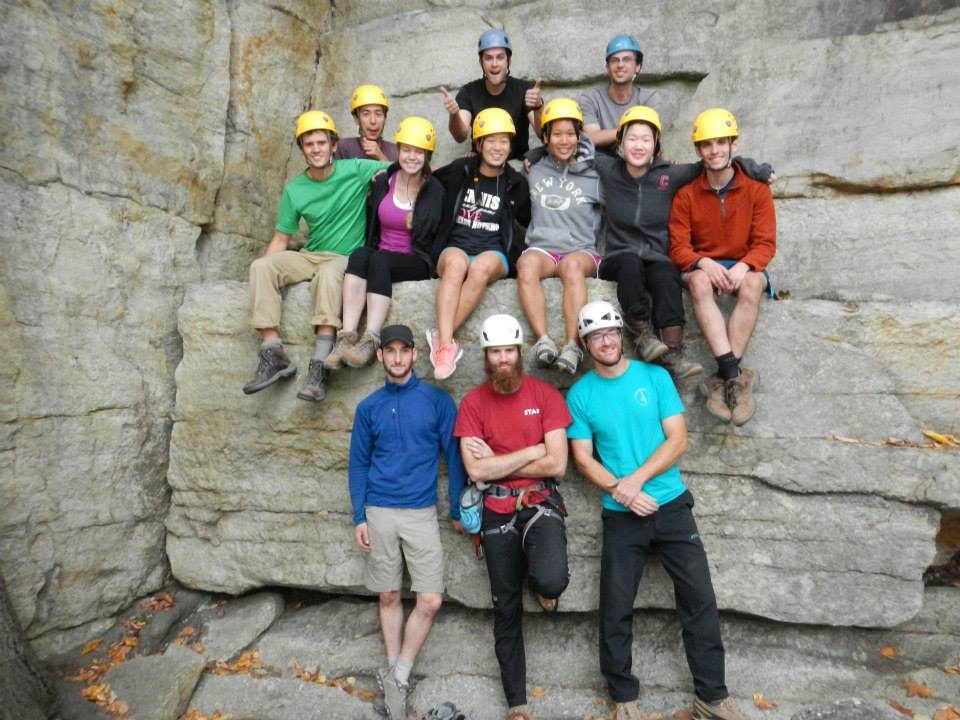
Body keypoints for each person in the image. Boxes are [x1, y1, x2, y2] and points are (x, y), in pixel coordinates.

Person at [566, 301, 753, 720]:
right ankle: (623, 699)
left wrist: (635, 481)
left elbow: (678, 440)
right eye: (596, 335)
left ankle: (712, 698)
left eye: (612, 331)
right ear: (586, 343)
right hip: (621, 515)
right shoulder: (581, 394)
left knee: (699, 600)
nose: (607, 340)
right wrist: (623, 491)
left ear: (622, 336)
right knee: (615, 607)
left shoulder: (654, 377)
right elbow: (582, 458)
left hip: (671, 506)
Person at [593, 106, 772, 380]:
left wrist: (752, 167)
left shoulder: (672, 175)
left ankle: (674, 350)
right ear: (620, 143)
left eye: (646, 139)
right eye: (632, 138)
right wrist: (533, 155)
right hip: (619, 255)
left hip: (656, 255)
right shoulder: (608, 168)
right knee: (631, 263)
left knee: (666, 272)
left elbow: (715, 162)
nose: (638, 145)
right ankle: (643, 334)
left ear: (656, 146)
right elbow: (568, 146)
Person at [454, 314, 571, 720]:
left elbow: (558, 465)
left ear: (519, 353)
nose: (503, 359)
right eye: (495, 352)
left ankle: (543, 583)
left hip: (540, 504)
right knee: (506, 608)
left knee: (552, 579)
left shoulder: (545, 395)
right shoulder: (472, 403)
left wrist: (503, 460)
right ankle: (517, 704)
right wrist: (531, 452)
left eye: (508, 351)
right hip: (496, 510)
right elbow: (477, 472)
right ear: (486, 356)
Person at [348, 324, 467, 720]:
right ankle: (395, 679)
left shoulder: (437, 401)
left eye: (404, 351)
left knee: (430, 599)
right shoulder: (368, 407)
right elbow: (359, 463)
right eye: (390, 351)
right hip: (379, 510)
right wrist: (359, 515)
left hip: (420, 512)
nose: (397, 358)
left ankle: (399, 673)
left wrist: (457, 507)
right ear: (380, 356)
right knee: (389, 595)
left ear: (415, 354)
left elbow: (453, 454)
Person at [243, 110, 390, 401]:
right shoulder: (295, 188)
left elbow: (402, 169)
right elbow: (281, 238)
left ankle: (320, 366)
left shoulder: (355, 169)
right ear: (302, 149)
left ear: (334, 145)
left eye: (322, 143)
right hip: (311, 253)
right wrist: (264, 279)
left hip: (346, 256)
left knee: (328, 274)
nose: (316, 149)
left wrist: (382, 159)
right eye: (309, 144)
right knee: (261, 267)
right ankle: (273, 353)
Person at [668, 108, 777, 425]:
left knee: (754, 284)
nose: (714, 150)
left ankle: (723, 379)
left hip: (743, 264)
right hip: (703, 265)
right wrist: (702, 262)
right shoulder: (687, 194)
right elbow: (678, 246)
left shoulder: (757, 189)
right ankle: (736, 376)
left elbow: (765, 242)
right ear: (698, 150)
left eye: (720, 143)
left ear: (734, 145)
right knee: (701, 283)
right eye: (706, 145)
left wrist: (746, 266)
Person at [325, 117, 444, 370]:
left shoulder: (434, 189)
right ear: (398, 151)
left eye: (419, 152)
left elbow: (434, 233)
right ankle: (346, 336)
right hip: (383, 252)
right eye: (407, 150)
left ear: (427, 155)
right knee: (360, 255)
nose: (412, 157)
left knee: (379, 260)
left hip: (416, 259)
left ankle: (371, 338)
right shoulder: (384, 180)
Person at [427, 108, 531, 380]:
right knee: (456, 264)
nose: (498, 147)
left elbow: (531, 218)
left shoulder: (516, 182)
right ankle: (447, 345)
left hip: (493, 252)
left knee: (481, 267)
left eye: (504, 141)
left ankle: (441, 339)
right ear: (479, 143)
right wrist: (385, 171)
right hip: (455, 246)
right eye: (491, 140)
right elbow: (425, 179)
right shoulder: (459, 170)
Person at [517, 97, 603, 375]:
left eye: (570, 133)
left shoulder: (597, 173)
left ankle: (572, 346)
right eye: (557, 134)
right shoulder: (534, 169)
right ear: (545, 137)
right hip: (543, 247)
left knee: (572, 266)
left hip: (580, 249)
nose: (564, 140)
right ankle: (543, 340)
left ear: (579, 135)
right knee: (526, 263)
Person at [440, 29, 543, 160]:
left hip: (516, 162)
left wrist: (538, 107)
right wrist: (454, 114)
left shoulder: (524, 90)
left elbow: (542, 134)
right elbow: (460, 136)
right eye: (488, 58)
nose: (494, 64)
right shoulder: (468, 92)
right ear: (481, 62)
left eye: (500, 57)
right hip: (481, 162)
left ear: (508, 61)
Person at [579, 35, 660, 158]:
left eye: (626, 59)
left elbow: (648, 138)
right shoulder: (591, 98)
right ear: (607, 67)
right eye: (614, 60)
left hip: (637, 162)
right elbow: (592, 137)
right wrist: (630, 131)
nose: (620, 65)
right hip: (601, 165)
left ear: (637, 66)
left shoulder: (649, 98)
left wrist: (612, 135)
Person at [335, 84, 398, 162]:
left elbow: (400, 174)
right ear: (356, 118)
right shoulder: (343, 148)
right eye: (366, 114)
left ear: (385, 119)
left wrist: (381, 157)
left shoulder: (395, 151)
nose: (373, 121)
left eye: (378, 114)